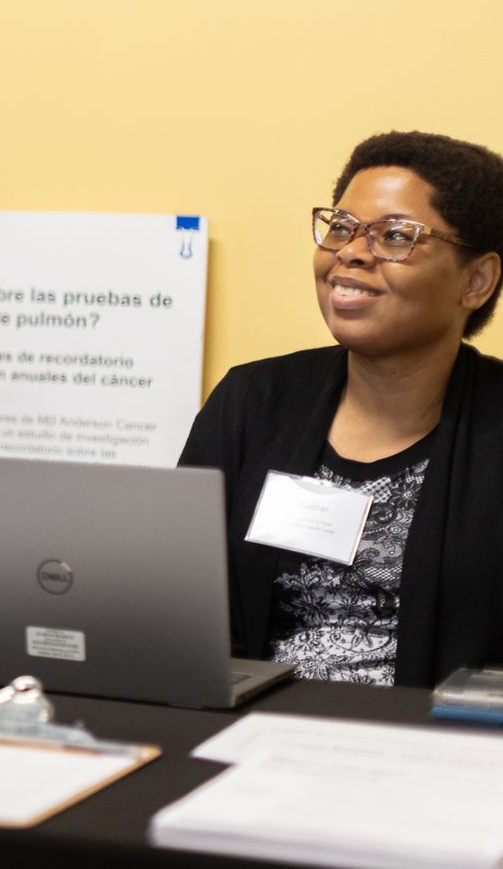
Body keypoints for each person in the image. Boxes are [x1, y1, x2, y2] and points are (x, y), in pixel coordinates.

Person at [179, 131, 503, 687]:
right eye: (341, 227)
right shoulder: (253, 401)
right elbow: (179, 596)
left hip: (440, 749)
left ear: (476, 281)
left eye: (396, 235)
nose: (351, 251)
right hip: (256, 735)